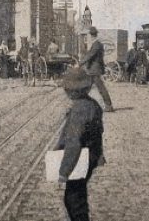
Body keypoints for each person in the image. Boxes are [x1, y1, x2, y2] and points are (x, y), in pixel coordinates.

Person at [53, 66, 106, 221]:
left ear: (75, 90)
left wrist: (64, 170)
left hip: (81, 158)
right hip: (92, 155)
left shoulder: (79, 109)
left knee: (74, 200)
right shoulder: (92, 104)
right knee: (76, 196)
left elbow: (73, 142)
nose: (66, 92)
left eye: (67, 89)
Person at [80, 27, 115, 112]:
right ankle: (108, 105)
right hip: (94, 70)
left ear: (92, 35)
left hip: (94, 70)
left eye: (89, 35)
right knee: (90, 88)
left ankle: (108, 105)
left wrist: (80, 62)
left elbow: (90, 55)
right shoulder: (97, 44)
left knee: (98, 88)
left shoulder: (96, 44)